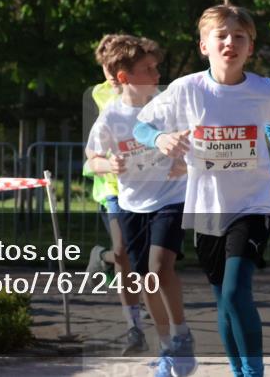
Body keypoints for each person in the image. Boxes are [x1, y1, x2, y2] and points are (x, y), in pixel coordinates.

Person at [134, 0, 270, 377]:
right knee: (222, 303)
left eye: (239, 36)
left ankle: (253, 374)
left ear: (250, 47)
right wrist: (160, 139)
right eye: (221, 35)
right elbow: (140, 127)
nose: (230, 42)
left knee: (234, 293)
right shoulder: (186, 89)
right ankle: (238, 371)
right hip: (208, 209)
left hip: (254, 205)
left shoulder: (265, 90)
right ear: (204, 46)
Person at [87, 35, 190, 374]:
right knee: (145, 276)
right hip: (133, 203)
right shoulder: (111, 117)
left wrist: (184, 162)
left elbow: (192, 139)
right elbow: (91, 158)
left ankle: (181, 334)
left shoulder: (167, 106)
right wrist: (109, 165)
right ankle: (165, 347)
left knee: (160, 268)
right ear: (124, 78)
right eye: (148, 69)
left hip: (171, 197)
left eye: (156, 67)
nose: (157, 74)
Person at [83, 33, 147, 355]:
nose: (111, 75)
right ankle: (133, 326)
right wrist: (106, 162)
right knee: (123, 252)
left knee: (142, 258)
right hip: (112, 185)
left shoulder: (146, 87)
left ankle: (101, 258)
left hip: (148, 183)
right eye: (106, 70)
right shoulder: (100, 94)